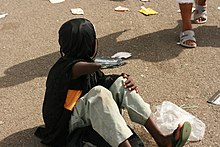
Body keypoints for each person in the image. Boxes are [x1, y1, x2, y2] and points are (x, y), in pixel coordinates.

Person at [35, 18, 192, 147]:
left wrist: (124, 79)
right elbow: (78, 70)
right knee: (99, 94)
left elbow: (102, 80)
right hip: (65, 126)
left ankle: (161, 138)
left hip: (81, 113)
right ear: (91, 45)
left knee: (120, 82)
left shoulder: (86, 64)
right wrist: (108, 63)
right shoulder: (66, 68)